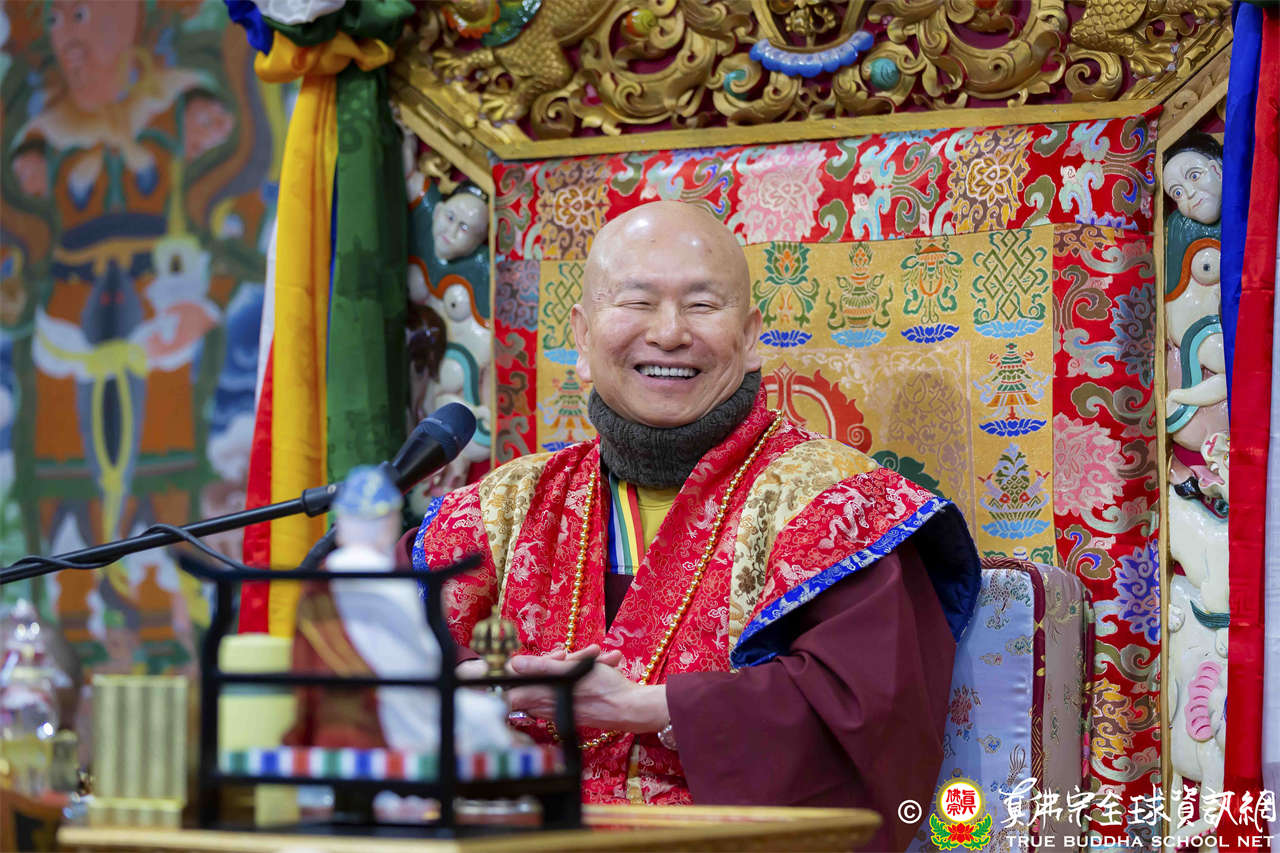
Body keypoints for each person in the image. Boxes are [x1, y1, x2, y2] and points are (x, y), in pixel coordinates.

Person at [410, 200, 980, 850]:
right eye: (638, 301)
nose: (670, 333)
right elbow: (366, 648)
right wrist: (485, 687)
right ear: (583, 338)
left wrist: (649, 708)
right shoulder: (508, 505)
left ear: (752, 337)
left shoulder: (836, 504)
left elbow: (877, 718)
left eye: (702, 305)